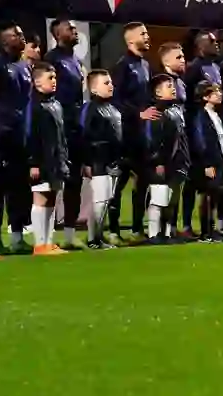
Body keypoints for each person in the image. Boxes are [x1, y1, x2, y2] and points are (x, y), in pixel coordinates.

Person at [109, 22, 161, 241]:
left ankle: (137, 228)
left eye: (147, 33)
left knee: (143, 183)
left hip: (142, 136)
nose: (147, 36)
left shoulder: (146, 65)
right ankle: (113, 231)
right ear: (130, 39)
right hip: (124, 135)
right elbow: (115, 100)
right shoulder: (122, 66)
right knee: (118, 184)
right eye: (143, 33)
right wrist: (138, 114)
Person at [0, 21, 33, 254]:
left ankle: (17, 237)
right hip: (2, 136)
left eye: (21, 33)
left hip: (21, 136)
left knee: (20, 188)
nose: (21, 37)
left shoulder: (24, 66)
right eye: (16, 34)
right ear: (5, 41)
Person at [44, 18, 87, 249]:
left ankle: (70, 235)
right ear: (57, 34)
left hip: (75, 128)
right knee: (53, 182)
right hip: (58, 129)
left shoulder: (76, 61)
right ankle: (45, 237)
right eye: (69, 28)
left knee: (74, 181)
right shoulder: (51, 60)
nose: (74, 30)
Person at [180, 29, 221, 237]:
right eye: (212, 41)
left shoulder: (216, 67)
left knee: (211, 182)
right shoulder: (194, 68)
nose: (217, 43)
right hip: (196, 128)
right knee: (192, 180)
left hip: (213, 125)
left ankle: (209, 224)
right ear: (200, 46)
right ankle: (186, 224)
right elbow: (188, 100)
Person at [26, 61, 69, 255]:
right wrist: (33, 162)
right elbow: (30, 135)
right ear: (37, 82)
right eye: (49, 78)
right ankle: (39, 243)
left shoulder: (56, 104)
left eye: (55, 78)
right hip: (42, 161)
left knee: (51, 200)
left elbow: (61, 136)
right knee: (40, 198)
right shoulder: (34, 106)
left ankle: (49, 242)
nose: (54, 81)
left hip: (56, 161)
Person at [143, 73, 190, 242]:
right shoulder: (156, 112)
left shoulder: (177, 110)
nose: (173, 88)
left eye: (172, 85)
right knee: (158, 199)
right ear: (157, 92)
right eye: (168, 86)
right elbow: (153, 140)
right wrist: (158, 161)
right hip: (162, 163)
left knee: (171, 200)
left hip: (178, 162)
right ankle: (153, 233)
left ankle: (167, 233)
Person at [80, 69, 123, 249]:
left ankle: (98, 237)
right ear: (93, 89)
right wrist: (87, 161)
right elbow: (83, 136)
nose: (110, 85)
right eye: (106, 83)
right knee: (99, 201)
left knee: (106, 200)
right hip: (98, 161)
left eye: (110, 82)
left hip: (113, 161)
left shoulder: (113, 108)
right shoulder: (90, 108)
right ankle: (93, 239)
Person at [189, 81, 223, 241]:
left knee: (216, 195)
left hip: (220, 160)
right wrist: (206, 164)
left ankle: (212, 229)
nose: (220, 94)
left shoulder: (216, 115)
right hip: (210, 162)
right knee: (207, 195)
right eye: (215, 92)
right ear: (205, 97)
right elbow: (200, 141)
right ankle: (206, 231)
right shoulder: (201, 116)